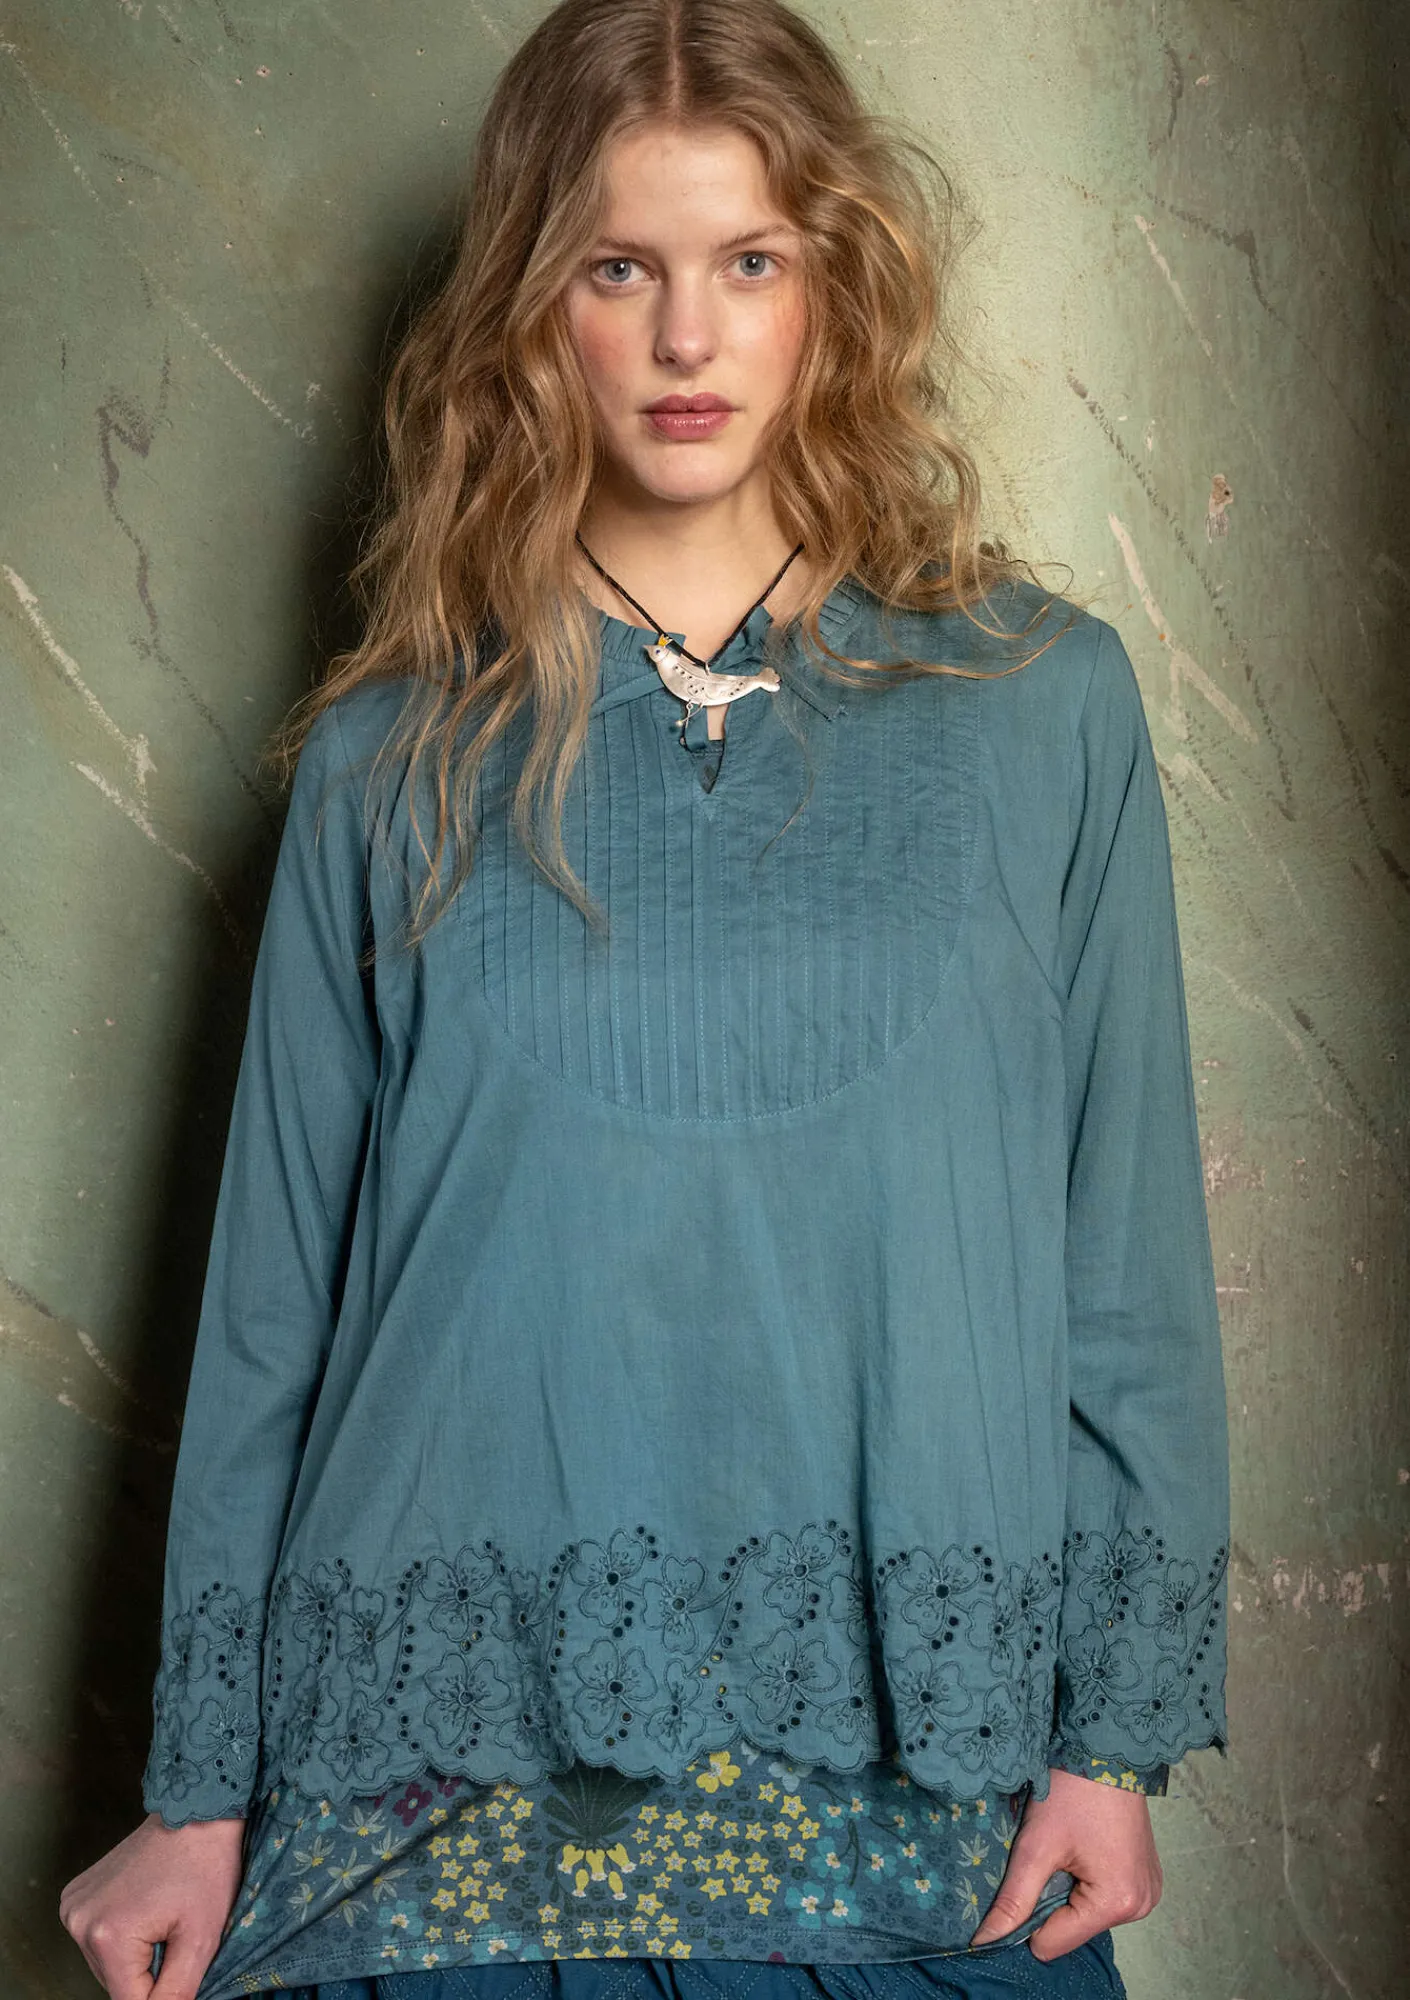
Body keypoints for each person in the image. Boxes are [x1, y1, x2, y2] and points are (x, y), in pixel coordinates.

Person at [57, 3, 1230, 1998]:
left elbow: (1123, 1268)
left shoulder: (1043, 706)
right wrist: (197, 1793)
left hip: (926, 1818)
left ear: (833, 287)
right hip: (430, 1829)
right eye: (620, 269)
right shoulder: (388, 758)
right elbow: (270, 1316)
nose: (689, 338)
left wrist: (1105, 1745)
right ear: (535, 307)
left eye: (747, 262)